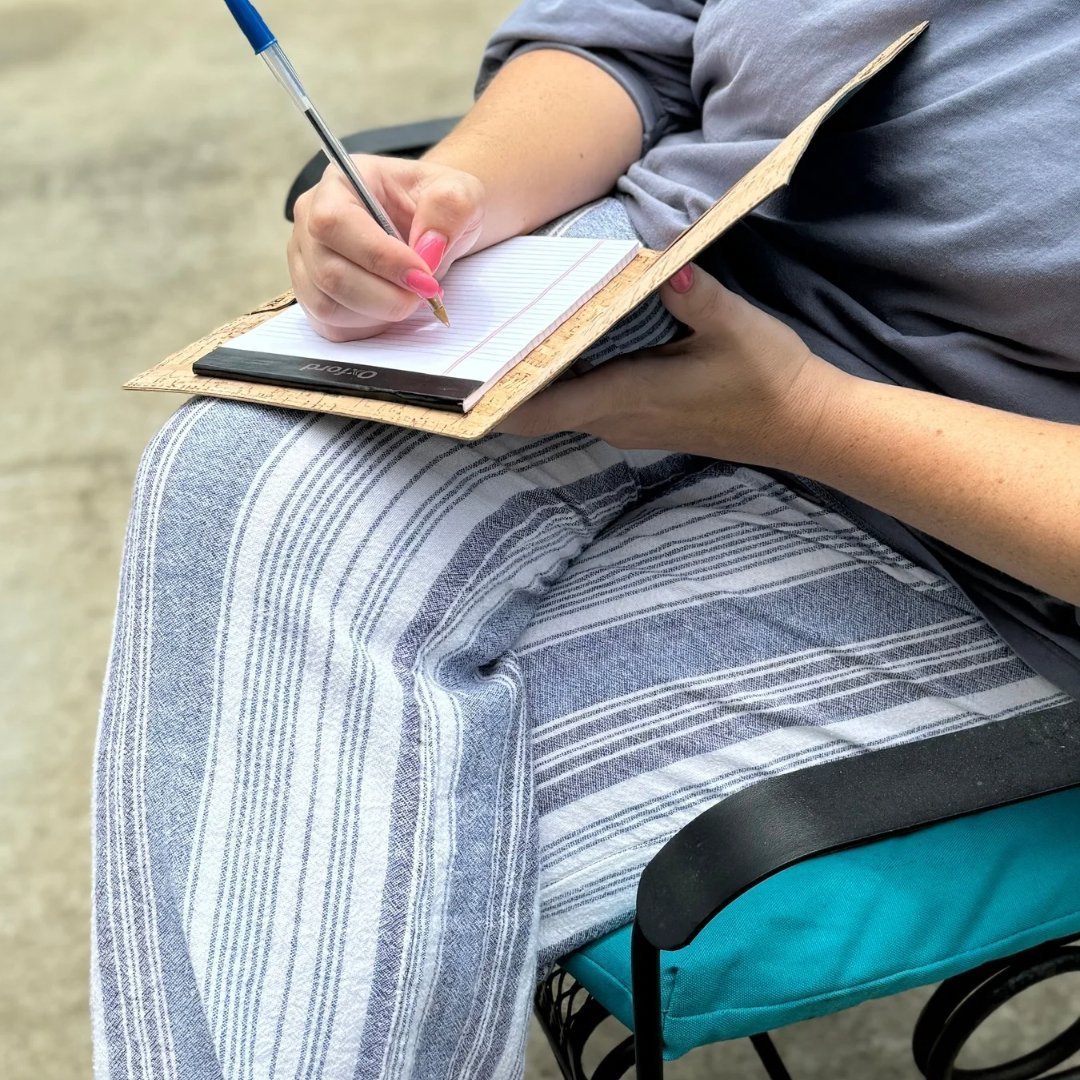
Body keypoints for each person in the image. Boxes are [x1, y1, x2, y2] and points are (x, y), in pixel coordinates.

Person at [92, 1, 1080, 1077]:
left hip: (988, 521)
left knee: (310, 840)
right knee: (245, 482)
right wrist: (454, 196)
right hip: (683, 267)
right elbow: (641, 26)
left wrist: (800, 416)